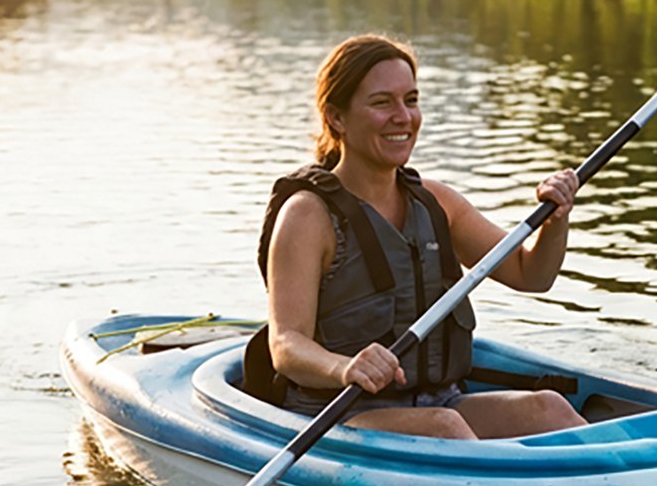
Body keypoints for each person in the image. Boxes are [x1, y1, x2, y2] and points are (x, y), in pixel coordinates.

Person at [246, 33, 589, 439]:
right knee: (445, 429)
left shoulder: (436, 202)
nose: (403, 117)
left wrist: (556, 218)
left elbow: (531, 274)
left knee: (547, 408)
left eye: (410, 100)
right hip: (337, 416)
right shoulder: (307, 216)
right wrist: (345, 367)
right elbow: (286, 346)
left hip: (439, 402)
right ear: (336, 117)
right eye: (381, 102)